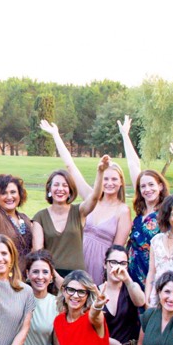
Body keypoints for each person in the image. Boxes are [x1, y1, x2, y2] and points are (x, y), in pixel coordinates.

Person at [40, 121, 132, 283]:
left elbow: (117, 249)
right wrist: (55, 134)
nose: (109, 183)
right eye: (106, 178)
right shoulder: (91, 197)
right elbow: (70, 167)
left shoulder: (122, 211)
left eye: (114, 179)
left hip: (100, 264)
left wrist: (109, 275)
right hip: (76, 258)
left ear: (121, 183)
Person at [0, 159, 37, 263]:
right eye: (4, 193)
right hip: (2, 276)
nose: (9, 197)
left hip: (24, 278)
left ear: (20, 194)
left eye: (13, 192)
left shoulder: (24, 218)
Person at [31, 167, 85, 278]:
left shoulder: (79, 212)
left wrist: (100, 172)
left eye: (65, 185)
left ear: (70, 190)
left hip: (77, 275)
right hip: (51, 275)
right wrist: (55, 277)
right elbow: (38, 252)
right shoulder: (40, 217)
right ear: (49, 189)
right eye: (56, 185)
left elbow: (94, 199)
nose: (60, 189)